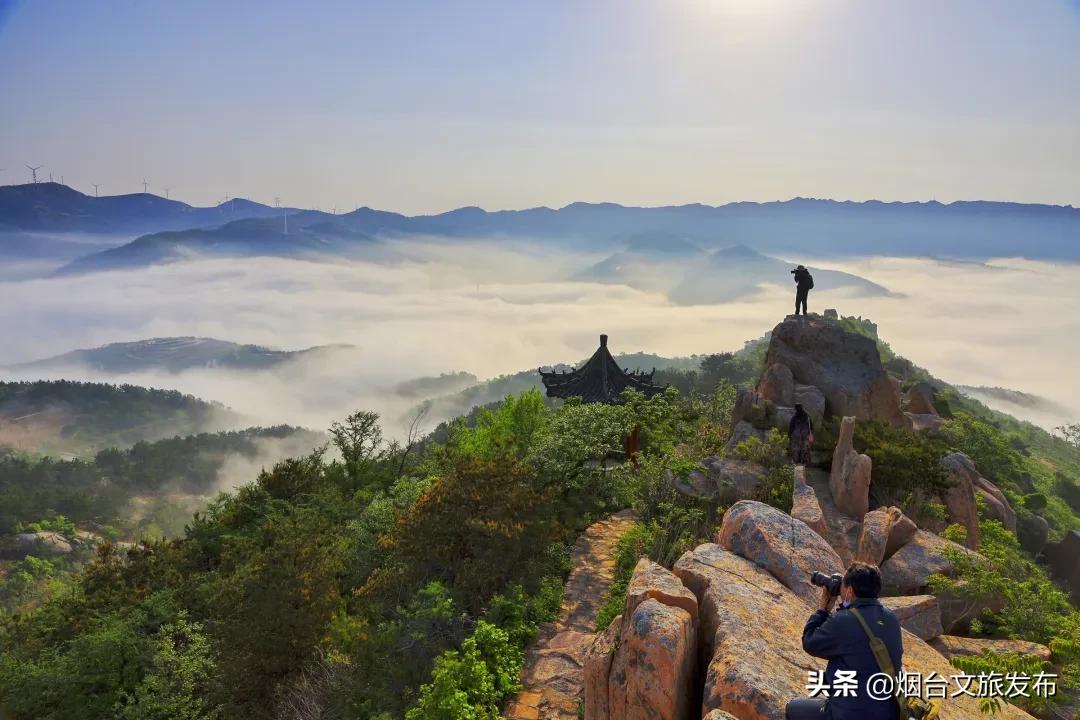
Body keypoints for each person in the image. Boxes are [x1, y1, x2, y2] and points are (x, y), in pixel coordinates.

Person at [785, 563, 903, 720]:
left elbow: (810, 642)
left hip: (850, 714)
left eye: (843, 585)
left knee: (793, 709)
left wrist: (822, 610)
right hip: (888, 713)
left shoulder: (843, 620)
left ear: (850, 591)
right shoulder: (891, 618)